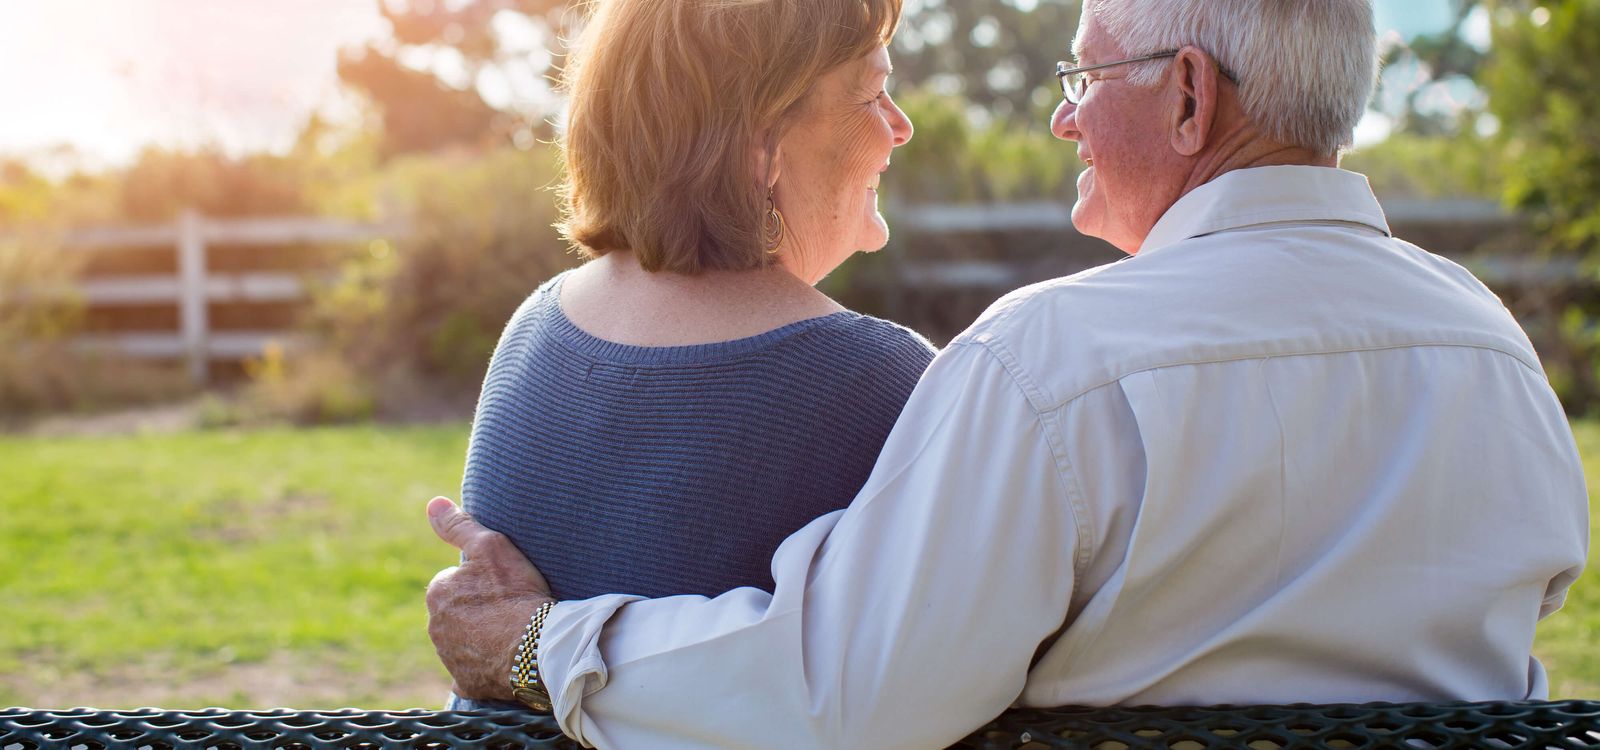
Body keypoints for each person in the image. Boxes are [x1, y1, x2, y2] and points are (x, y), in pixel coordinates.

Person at [426, 0, 1590, 746]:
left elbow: (844, 691)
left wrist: (541, 645)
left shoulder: (1050, 367)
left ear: (1188, 98)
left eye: (1084, 77)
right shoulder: (1492, 349)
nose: (1062, 120)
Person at [438, 0, 934, 713]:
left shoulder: (535, 326)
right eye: (871, 92)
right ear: (762, 146)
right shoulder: (878, 380)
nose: (900, 126)